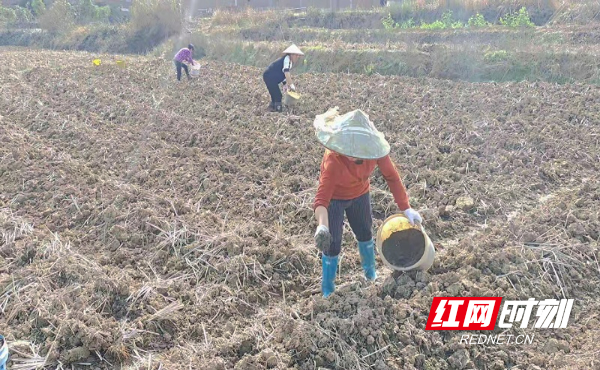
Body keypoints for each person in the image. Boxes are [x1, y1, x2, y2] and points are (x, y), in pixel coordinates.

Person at [312, 107, 422, 298]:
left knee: (365, 232)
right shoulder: (333, 160)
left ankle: (370, 274)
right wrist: (322, 226)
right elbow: (322, 198)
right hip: (335, 200)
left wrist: (406, 207)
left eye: (358, 152)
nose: (354, 155)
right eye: (350, 151)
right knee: (333, 244)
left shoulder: (375, 152)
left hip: (360, 194)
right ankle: (328, 290)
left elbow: (392, 176)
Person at [262, 44, 304, 112]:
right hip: (269, 76)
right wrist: (291, 85)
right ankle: (278, 110)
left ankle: (272, 108)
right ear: (291, 54)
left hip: (270, 77)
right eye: (296, 55)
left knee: (274, 94)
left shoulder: (289, 62)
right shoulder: (286, 59)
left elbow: (283, 74)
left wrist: (284, 84)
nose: (297, 57)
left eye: (298, 55)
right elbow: (286, 73)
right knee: (278, 95)